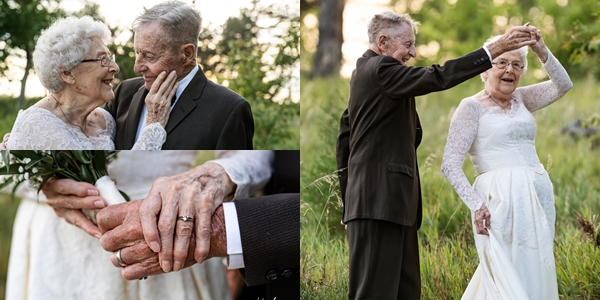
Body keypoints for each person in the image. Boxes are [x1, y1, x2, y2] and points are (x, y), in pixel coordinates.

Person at [335, 11, 538, 299]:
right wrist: (498, 47)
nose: (413, 52)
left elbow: (345, 139)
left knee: (405, 293)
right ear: (382, 41)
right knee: (375, 293)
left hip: (391, 205)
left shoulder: (366, 79)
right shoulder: (379, 69)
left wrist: (349, 202)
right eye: (407, 44)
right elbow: (439, 76)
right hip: (377, 204)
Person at [441, 28, 572, 299]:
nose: (509, 69)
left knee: (533, 270)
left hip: (537, 197)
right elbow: (450, 164)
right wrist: (476, 206)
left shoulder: (522, 98)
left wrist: (541, 49)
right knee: (503, 276)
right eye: (501, 62)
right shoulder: (471, 107)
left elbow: (563, 85)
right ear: (484, 71)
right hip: (497, 200)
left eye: (516, 64)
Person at [5, 151, 231, 299]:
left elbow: (253, 161)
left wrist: (212, 178)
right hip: (59, 238)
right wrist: (42, 182)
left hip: (170, 222)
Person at [95, 150, 300, 300]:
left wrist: (218, 175)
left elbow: (260, 154)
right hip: (79, 240)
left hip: (184, 213)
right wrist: (61, 189)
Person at [6, 16, 176, 150]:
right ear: (68, 73)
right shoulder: (36, 125)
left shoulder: (105, 121)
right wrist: (153, 128)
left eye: (110, 57)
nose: (115, 67)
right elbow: (103, 181)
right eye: (102, 59)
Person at [105, 0, 254, 150]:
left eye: (149, 56)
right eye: (137, 53)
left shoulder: (229, 110)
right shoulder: (124, 92)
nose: (137, 68)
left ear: (187, 54)